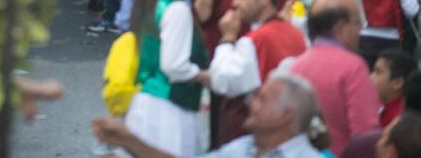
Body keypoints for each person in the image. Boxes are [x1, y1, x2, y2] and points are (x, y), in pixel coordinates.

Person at [93, 71, 326, 158]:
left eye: (261, 99)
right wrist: (128, 141)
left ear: (285, 116)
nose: (251, 103)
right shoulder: (244, 147)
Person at [122, 0, 209, 156]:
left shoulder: (151, 3)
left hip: (143, 104)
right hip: (170, 109)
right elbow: (174, 66)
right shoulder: (177, 9)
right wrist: (204, 75)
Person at [207, 0, 307, 144]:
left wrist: (227, 39)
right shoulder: (296, 33)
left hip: (258, 133)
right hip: (290, 129)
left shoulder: (256, 40)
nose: (235, 3)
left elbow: (223, 81)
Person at [285, 0, 380, 151]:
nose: (360, 30)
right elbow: (366, 134)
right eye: (357, 23)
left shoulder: (295, 66)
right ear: (340, 28)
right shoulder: (353, 67)